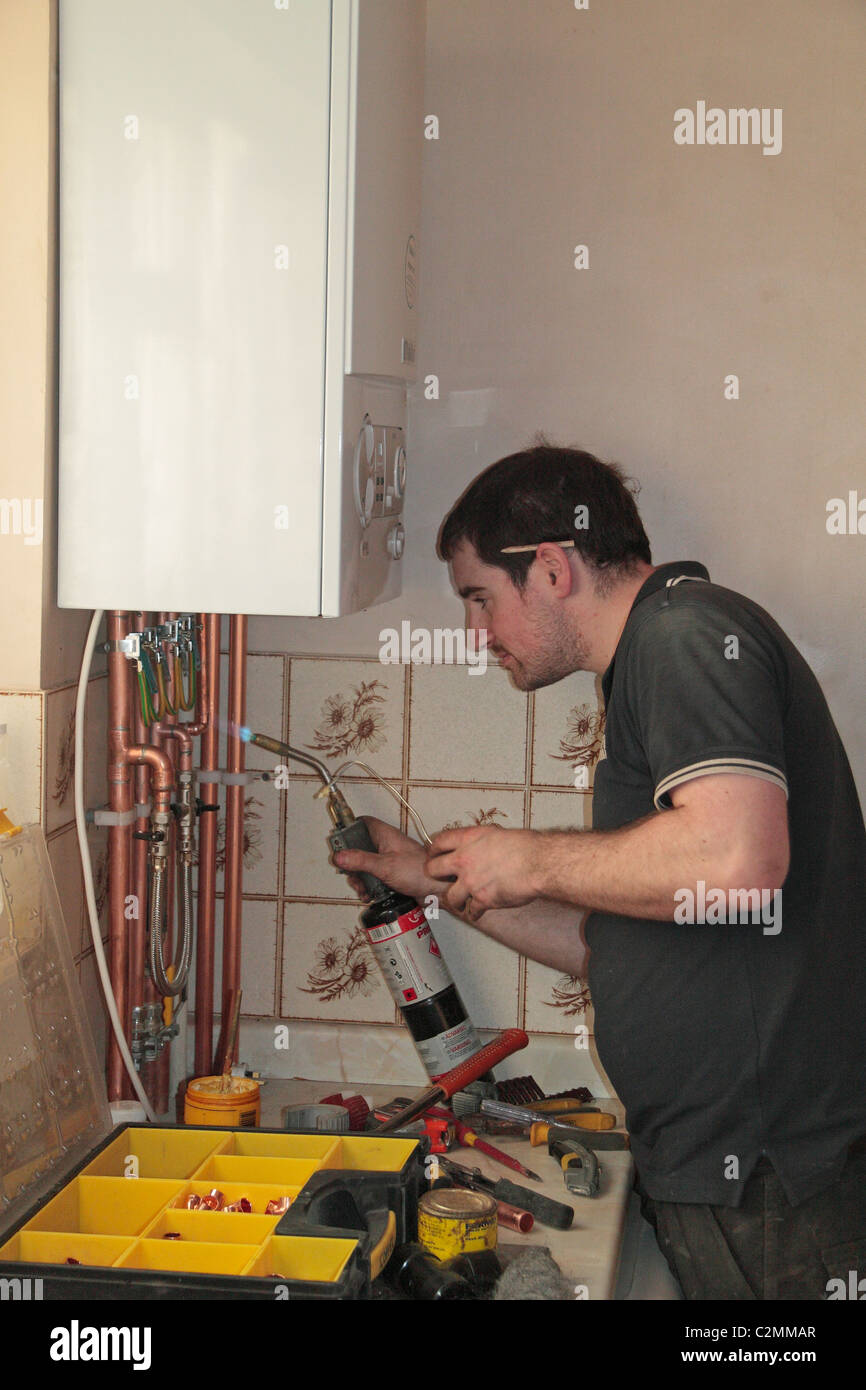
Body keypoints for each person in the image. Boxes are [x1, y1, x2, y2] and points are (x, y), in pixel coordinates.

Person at [334, 442, 866, 1300]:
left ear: (550, 568)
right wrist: (438, 881)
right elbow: (614, 941)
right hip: (726, 1166)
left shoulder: (687, 635)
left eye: (480, 598)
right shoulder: (653, 659)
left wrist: (532, 856)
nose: (478, 636)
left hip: (770, 1174)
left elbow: (738, 861)